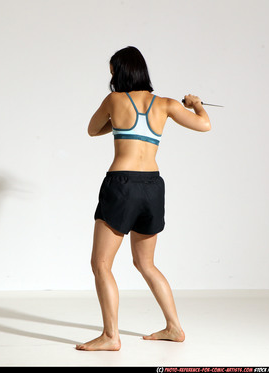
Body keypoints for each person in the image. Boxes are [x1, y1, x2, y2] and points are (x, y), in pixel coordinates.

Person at [76, 46, 211, 351]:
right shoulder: (166, 104)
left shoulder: (114, 100)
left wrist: (119, 122)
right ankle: (175, 328)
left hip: (121, 185)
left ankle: (111, 336)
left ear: (121, 72)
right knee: (146, 263)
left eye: (112, 71)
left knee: (101, 263)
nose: (111, 78)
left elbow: (92, 130)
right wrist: (196, 104)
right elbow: (205, 125)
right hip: (152, 186)